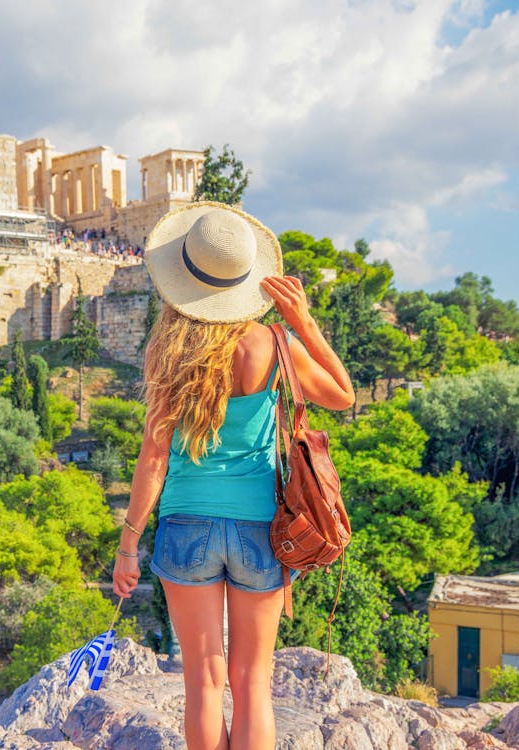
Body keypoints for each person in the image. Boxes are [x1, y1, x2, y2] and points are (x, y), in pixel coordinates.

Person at [112, 202, 355, 750]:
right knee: (253, 683)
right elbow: (343, 394)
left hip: (185, 526)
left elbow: (152, 460)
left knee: (202, 681)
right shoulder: (273, 344)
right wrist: (304, 324)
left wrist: (128, 546)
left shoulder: (165, 351)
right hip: (260, 531)